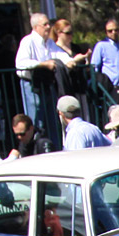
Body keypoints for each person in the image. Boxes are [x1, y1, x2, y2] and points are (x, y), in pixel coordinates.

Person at [14, 13, 73, 146]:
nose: (48, 27)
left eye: (49, 23)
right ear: (35, 27)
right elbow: (21, 64)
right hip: (32, 85)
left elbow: (60, 55)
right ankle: (35, 148)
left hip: (47, 83)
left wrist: (72, 60)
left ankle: (54, 147)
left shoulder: (49, 42)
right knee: (36, 121)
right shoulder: (27, 41)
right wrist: (42, 64)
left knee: (52, 120)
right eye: (45, 24)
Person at [90, 18, 119, 95]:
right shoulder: (101, 46)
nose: (113, 33)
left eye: (116, 30)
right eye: (110, 31)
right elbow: (94, 67)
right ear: (106, 32)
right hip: (111, 88)